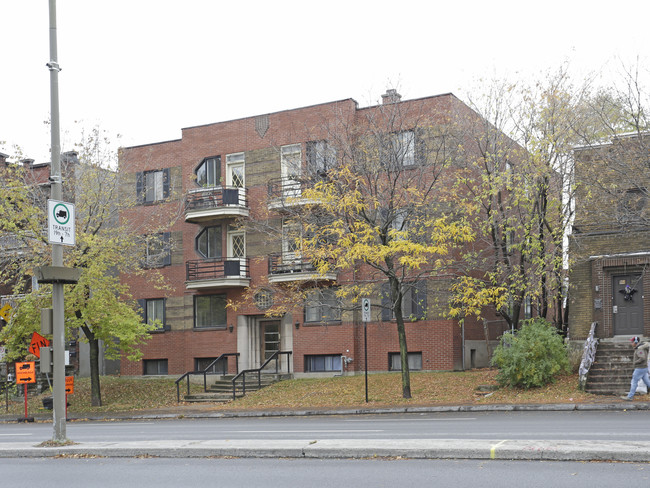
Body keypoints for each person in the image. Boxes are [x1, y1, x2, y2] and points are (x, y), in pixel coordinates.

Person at [621, 336, 650, 401]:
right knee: (647, 382)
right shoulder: (641, 347)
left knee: (634, 382)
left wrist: (635, 362)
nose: (631, 343)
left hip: (640, 368)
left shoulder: (639, 349)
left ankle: (630, 397)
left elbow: (642, 358)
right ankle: (630, 396)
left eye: (632, 342)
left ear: (636, 342)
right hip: (643, 368)